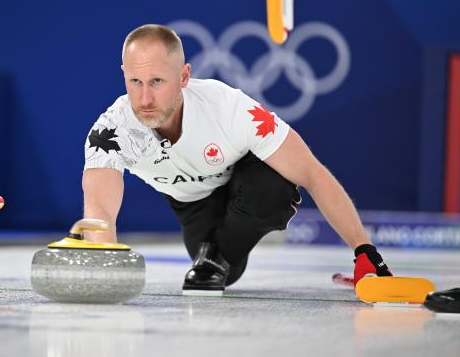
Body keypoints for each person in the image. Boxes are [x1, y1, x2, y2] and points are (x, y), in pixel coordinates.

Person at [81, 24, 392, 295]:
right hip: (194, 206)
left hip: (245, 181)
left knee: (276, 186)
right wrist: (105, 267)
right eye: (135, 82)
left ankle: (217, 253)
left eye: (157, 82)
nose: (145, 99)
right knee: (227, 272)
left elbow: (313, 173)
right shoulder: (112, 130)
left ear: (184, 76)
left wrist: (365, 252)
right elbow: (100, 210)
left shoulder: (230, 109)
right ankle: (215, 253)